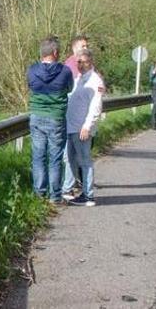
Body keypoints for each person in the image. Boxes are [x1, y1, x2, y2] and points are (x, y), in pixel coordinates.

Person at [27, 36, 73, 203]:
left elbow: (30, 86)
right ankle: (55, 196)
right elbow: (69, 88)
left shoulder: (31, 70)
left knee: (38, 156)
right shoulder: (65, 71)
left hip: (37, 117)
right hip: (56, 118)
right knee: (55, 158)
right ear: (54, 52)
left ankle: (39, 194)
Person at [65, 49, 103, 207]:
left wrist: (87, 126)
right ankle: (67, 190)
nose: (79, 65)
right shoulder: (80, 78)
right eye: (78, 62)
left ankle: (88, 195)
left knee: (84, 162)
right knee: (69, 159)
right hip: (71, 127)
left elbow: (96, 107)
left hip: (82, 129)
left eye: (83, 62)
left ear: (91, 62)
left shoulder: (95, 81)